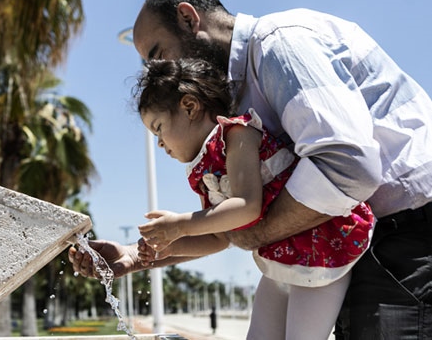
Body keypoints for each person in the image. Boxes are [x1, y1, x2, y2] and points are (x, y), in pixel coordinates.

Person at [68, 0, 432, 339]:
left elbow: (349, 164)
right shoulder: (234, 112)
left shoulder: (282, 43)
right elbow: (224, 230)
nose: (158, 72)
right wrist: (136, 255)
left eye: (158, 54)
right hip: (356, 242)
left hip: (411, 233)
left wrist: (254, 233)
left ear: (188, 18)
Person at [133, 57, 374, 339]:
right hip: (278, 258)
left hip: (320, 246)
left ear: (189, 107)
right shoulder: (204, 171)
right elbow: (219, 237)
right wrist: (169, 245)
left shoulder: (238, 133)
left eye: (158, 127)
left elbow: (247, 207)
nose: (159, 143)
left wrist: (180, 225)